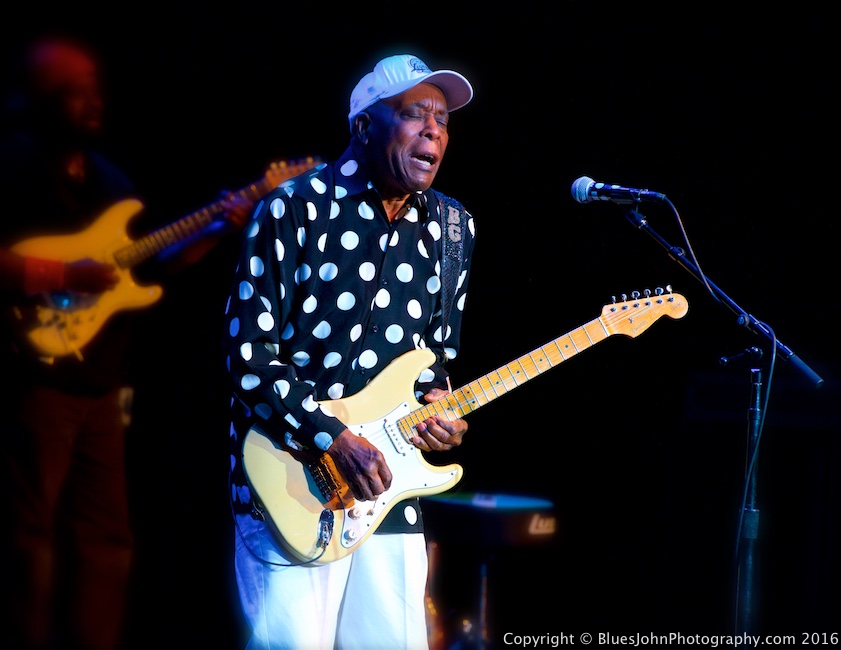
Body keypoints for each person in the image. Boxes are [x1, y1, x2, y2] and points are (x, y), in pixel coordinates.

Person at [0, 34, 253, 650]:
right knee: (26, 535)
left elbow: (147, 270)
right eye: (72, 91)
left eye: (93, 89)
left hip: (101, 384)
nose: (90, 101)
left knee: (107, 537)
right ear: (39, 97)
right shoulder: (11, 164)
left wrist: (219, 226)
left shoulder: (110, 181)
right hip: (37, 380)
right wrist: (64, 275)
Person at [224, 53, 476, 649]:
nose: (434, 130)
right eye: (415, 115)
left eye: (442, 119)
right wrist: (332, 438)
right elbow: (248, 357)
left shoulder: (453, 229)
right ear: (365, 125)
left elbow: (436, 357)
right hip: (291, 486)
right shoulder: (293, 209)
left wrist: (440, 412)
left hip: (390, 496)